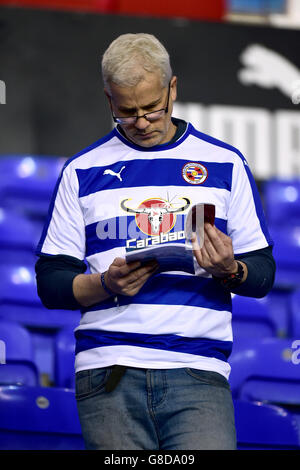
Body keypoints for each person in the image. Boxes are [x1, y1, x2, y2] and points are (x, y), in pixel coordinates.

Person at [35, 33, 276, 450]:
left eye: (152, 108)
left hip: (197, 369)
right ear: (109, 100)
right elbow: (51, 282)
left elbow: (263, 274)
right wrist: (104, 285)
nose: (142, 122)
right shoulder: (82, 170)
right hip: (107, 369)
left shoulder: (225, 163)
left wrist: (230, 270)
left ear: (173, 88)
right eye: (126, 113)